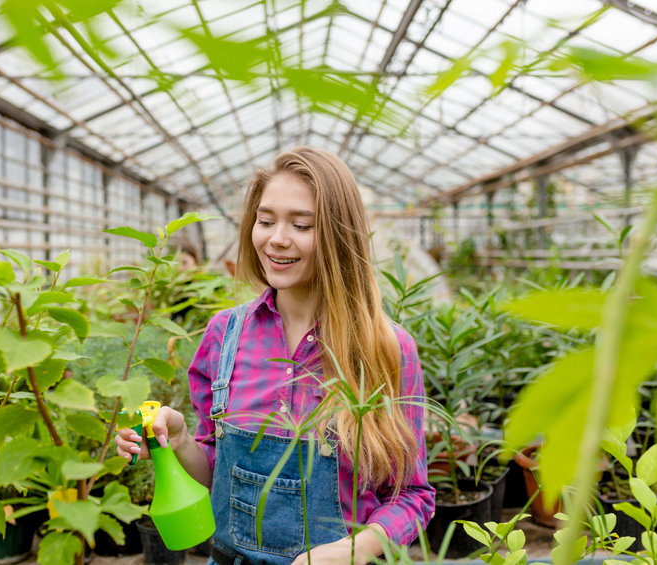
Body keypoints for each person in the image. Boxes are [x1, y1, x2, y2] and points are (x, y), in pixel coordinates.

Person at [116, 147, 434, 564]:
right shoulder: (224, 335)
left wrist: (352, 550)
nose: (276, 238)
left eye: (302, 224)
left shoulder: (383, 348)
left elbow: (413, 496)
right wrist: (179, 443)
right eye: (265, 221)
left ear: (340, 235)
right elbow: (217, 476)